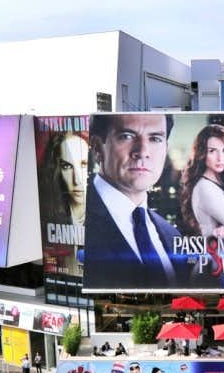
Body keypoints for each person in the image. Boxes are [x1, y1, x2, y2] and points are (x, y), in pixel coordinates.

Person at [84, 113, 187, 286]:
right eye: (127, 136)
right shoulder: (76, 222)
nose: (143, 152)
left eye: (155, 139)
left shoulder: (172, 235)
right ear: (96, 148)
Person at [180, 124, 224, 242]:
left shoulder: (221, 182)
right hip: (221, 258)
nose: (220, 157)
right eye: (212, 151)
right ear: (202, 154)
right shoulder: (205, 188)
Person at [40, 130, 90, 273]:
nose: (77, 179)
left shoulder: (108, 219)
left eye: (84, 164)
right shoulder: (49, 219)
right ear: (56, 170)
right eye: (67, 166)